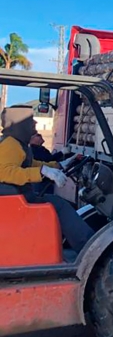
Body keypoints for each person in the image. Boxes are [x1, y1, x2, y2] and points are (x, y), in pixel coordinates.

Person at [0, 106, 93, 253]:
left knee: (56, 202)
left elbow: (32, 163)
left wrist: (57, 165)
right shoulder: (11, 145)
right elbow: (5, 172)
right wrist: (43, 172)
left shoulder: (17, 144)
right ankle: (88, 248)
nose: (35, 123)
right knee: (59, 204)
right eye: (31, 120)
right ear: (20, 123)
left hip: (19, 198)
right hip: (19, 200)